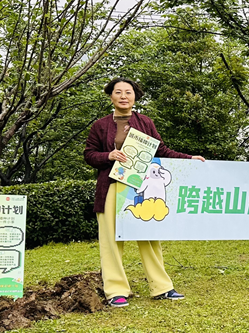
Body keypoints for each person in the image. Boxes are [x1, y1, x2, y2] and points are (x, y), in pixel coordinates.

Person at [84, 77, 205, 307]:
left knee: (148, 236)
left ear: (135, 96)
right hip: (111, 187)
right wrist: (107, 156)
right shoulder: (100, 126)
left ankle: (161, 287)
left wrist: (189, 158)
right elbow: (89, 155)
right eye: (118, 92)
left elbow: (162, 151)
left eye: (128, 92)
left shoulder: (145, 122)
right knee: (111, 240)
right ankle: (116, 290)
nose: (123, 96)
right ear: (111, 96)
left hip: (142, 187)